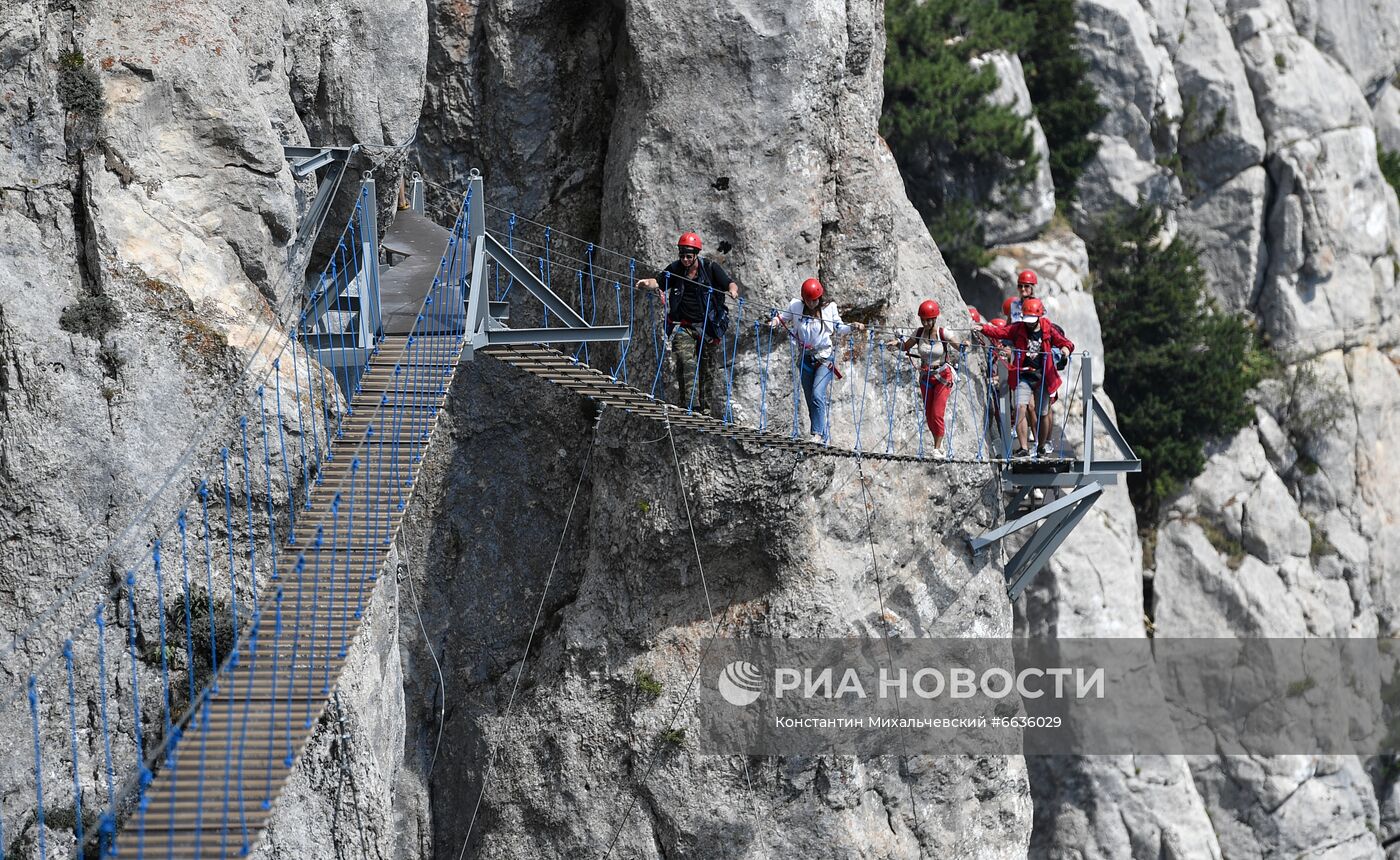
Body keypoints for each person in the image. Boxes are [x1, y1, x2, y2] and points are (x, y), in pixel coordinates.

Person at [638, 231, 739, 415]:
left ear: (696, 255)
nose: (685, 259)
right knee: (686, 361)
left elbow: (729, 283)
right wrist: (646, 282)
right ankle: (689, 405)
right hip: (685, 326)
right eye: (682, 255)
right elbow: (658, 282)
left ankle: (705, 409)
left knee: (707, 370)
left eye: (688, 256)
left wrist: (733, 291)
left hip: (708, 328)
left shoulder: (710, 268)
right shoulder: (675, 269)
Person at [768, 277, 864, 444]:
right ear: (804, 299)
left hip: (824, 359)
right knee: (809, 398)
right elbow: (782, 317)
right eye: (808, 300)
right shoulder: (796, 307)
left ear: (819, 298)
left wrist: (853, 326)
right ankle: (821, 435)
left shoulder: (829, 309)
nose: (812, 303)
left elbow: (839, 328)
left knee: (817, 394)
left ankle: (817, 434)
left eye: (815, 300)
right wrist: (775, 322)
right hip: (805, 359)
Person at [979, 297, 1074, 459]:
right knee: (1020, 407)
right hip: (1024, 374)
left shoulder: (1048, 328)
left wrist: (1065, 350)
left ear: (1039, 317)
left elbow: (1065, 342)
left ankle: (1042, 446)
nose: (1029, 324)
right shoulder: (1018, 328)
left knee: (1043, 412)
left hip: (1043, 375)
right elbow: (1000, 332)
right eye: (1027, 320)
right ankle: (1023, 447)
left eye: (1032, 321)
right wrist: (983, 328)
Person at [887, 299, 961, 458]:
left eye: (928, 320)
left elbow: (958, 346)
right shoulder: (919, 333)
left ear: (935, 318)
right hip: (926, 377)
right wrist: (896, 344)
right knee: (928, 414)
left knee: (937, 413)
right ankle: (939, 448)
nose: (926, 323)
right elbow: (906, 347)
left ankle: (937, 447)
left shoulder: (943, 333)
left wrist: (965, 344)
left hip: (942, 376)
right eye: (923, 320)